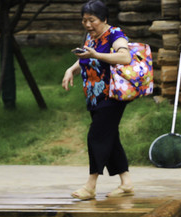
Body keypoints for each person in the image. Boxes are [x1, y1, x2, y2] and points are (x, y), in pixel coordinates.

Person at [62, 0, 135, 200]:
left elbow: (125, 57)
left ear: (103, 19)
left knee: (96, 136)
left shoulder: (115, 35)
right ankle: (126, 183)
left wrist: (98, 54)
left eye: (91, 20)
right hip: (95, 96)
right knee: (110, 137)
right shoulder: (91, 37)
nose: (87, 24)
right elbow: (86, 57)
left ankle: (90, 185)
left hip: (112, 96)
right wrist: (71, 69)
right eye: (84, 20)